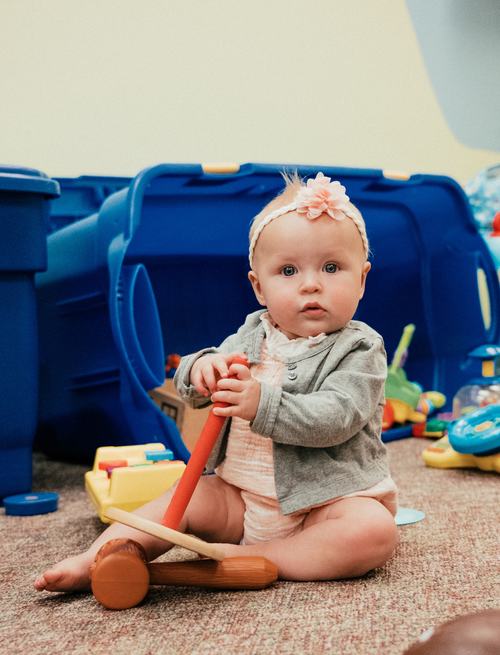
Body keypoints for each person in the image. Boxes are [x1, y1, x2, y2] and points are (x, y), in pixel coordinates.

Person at [34, 172, 398, 593]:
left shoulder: (360, 348)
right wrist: (200, 371)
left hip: (325, 503)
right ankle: (103, 555)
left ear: (362, 280)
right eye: (288, 270)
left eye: (332, 268)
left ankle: (273, 557)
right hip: (238, 499)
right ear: (259, 287)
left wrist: (262, 403)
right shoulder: (252, 334)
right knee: (185, 495)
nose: (311, 284)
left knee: (374, 531)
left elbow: (337, 416)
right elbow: (194, 377)